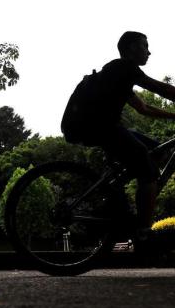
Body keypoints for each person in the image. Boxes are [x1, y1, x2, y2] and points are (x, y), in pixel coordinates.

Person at [61, 31, 175, 238]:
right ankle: (143, 232)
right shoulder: (124, 67)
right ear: (131, 48)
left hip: (102, 127)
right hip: (97, 127)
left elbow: (144, 108)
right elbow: (161, 89)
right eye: (144, 46)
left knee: (157, 151)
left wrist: (173, 116)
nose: (149, 52)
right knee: (148, 170)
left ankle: (116, 190)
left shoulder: (117, 75)